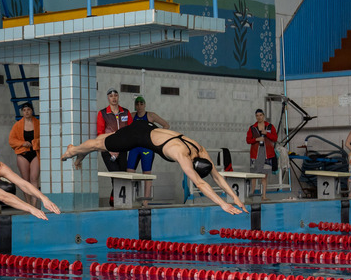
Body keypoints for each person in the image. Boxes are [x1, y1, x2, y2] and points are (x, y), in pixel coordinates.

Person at [61, 118, 248, 215]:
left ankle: (80, 154)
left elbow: (216, 176)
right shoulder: (180, 155)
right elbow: (201, 184)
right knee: (99, 145)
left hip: (145, 127)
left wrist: (235, 197)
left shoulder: (200, 149)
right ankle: (73, 150)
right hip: (136, 137)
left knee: (103, 140)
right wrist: (223, 204)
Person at [126, 96, 169, 201]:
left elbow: (166, 125)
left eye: (141, 104)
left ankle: (146, 201)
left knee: (147, 175)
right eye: (137, 104)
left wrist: (157, 139)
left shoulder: (150, 115)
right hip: (134, 148)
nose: (139, 106)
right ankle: (129, 200)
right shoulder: (131, 116)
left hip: (147, 149)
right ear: (135, 105)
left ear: (145, 105)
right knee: (129, 173)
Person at [7, 102, 40, 206]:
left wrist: (34, 142)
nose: (26, 112)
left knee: (34, 178)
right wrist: (22, 143)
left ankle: (34, 204)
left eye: (28, 110)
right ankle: (28, 204)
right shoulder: (18, 125)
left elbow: (44, 137)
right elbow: (11, 140)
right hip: (23, 154)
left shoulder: (38, 123)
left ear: (32, 111)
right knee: (25, 180)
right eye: (24, 110)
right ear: (22, 112)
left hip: (35, 153)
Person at [95, 89, 133, 173]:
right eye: (111, 96)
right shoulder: (103, 113)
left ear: (118, 96)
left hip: (122, 149)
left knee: (123, 176)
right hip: (108, 150)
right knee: (115, 176)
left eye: (115, 95)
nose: (114, 98)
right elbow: (100, 134)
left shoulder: (125, 112)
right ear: (108, 98)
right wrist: (109, 150)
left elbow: (131, 130)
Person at [245, 108, 278, 200]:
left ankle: (264, 196)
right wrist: (256, 139)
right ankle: (252, 194)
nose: (259, 117)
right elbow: (248, 140)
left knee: (264, 175)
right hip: (256, 153)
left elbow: (275, 138)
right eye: (257, 116)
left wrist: (266, 133)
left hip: (267, 153)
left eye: (260, 115)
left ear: (263, 116)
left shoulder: (270, 127)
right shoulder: (252, 128)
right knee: (254, 175)